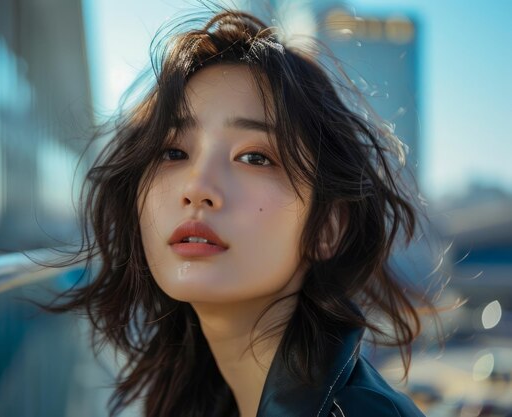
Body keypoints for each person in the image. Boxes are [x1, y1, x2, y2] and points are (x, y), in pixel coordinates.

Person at [46, 8, 439, 417]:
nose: (197, 187)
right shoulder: (201, 396)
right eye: (173, 152)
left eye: (254, 157)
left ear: (326, 227)